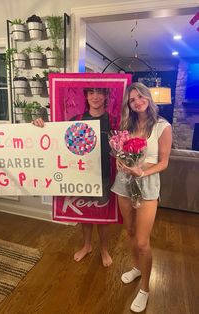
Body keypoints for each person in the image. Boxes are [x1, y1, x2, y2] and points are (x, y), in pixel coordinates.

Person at [33, 88, 117, 267]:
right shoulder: (76, 120)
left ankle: (104, 249)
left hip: (104, 175)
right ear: (86, 96)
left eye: (99, 93)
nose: (95, 96)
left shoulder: (113, 121)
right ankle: (87, 246)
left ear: (106, 96)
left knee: (103, 216)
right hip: (81, 175)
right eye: (91, 93)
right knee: (85, 214)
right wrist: (40, 126)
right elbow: (56, 138)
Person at [111, 82, 172, 312]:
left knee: (143, 242)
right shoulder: (127, 125)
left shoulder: (162, 126)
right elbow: (122, 152)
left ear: (148, 97)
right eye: (132, 99)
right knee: (129, 232)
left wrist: (142, 171)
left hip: (147, 184)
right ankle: (136, 268)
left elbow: (164, 162)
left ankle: (145, 288)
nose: (137, 101)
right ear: (129, 104)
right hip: (124, 183)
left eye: (140, 96)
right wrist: (120, 160)